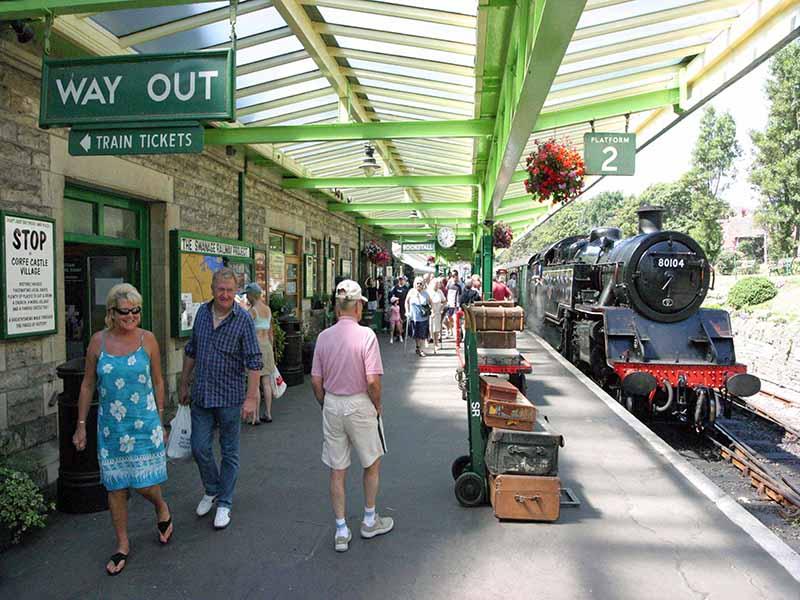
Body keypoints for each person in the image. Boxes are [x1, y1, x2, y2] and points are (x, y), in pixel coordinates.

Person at [72, 283, 170, 576]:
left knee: (143, 484)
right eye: (124, 311)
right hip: (111, 428)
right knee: (116, 488)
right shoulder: (97, 343)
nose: (131, 316)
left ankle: (161, 506)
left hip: (144, 424)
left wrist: (161, 418)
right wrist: (80, 427)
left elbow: (158, 381)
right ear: (111, 313)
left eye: (136, 310)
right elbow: (88, 384)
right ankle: (122, 544)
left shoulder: (148, 340)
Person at [311, 279, 393, 552]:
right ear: (358, 306)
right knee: (371, 463)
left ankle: (341, 530)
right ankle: (369, 520)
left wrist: (326, 403)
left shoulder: (324, 337)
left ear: (337, 307)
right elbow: (372, 381)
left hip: (333, 404)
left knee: (338, 469)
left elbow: (315, 381)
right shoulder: (367, 336)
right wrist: (377, 405)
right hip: (360, 403)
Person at [180, 267, 262, 530]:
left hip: (229, 397)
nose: (225, 295)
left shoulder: (244, 320)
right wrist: (183, 383)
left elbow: (254, 361)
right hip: (201, 394)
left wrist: (251, 398)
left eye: (230, 290)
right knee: (199, 447)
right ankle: (213, 488)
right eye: (220, 290)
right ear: (213, 289)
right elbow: (191, 350)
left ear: (236, 291)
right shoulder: (203, 313)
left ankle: (224, 502)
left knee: (229, 452)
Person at [245, 282, 275, 424]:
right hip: (267, 346)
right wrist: (272, 347)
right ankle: (268, 413)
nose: (247, 297)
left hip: (257, 348)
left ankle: (255, 416)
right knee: (266, 382)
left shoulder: (252, 311)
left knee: (255, 382)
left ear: (251, 295)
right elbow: (271, 332)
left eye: (247, 295)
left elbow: (245, 330)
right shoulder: (268, 309)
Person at [405, 276, 432, 357]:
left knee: (422, 335)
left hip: (423, 318)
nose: (419, 285)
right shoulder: (411, 292)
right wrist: (407, 311)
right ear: (414, 284)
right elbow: (406, 301)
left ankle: (421, 350)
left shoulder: (426, 293)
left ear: (423, 284)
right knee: (416, 335)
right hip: (414, 317)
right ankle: (417, 347)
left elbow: (431, 303)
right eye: (417, 283)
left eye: (421, 283)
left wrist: (432, 311)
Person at [428, 279, 446, 353]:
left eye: (437, 284)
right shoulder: (428, 291)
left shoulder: (440, 292)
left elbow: (444, 301)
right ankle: (429, 340)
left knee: (437, 328)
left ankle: (436, 343)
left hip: (438, 311)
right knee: (430, 327)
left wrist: (442, 308)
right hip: (430, 312)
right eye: (435, 284)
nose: (436, 285)